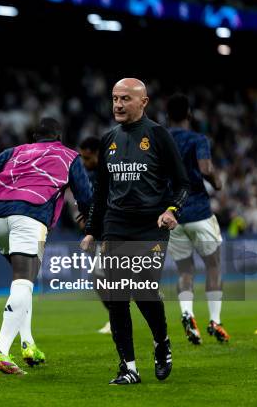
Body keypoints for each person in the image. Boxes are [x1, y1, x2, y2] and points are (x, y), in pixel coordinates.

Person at [0, 117, 92, 375]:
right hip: (30, 214)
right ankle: (0, 351)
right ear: (59, 137)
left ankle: (28, 345)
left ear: (34, 137)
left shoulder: (15, 151)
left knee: (22, 282)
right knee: (24, 282)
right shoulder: (68, 155)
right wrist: (90, 221)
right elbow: (85, 196)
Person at [82, 78, 190, 385]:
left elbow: (183, 183)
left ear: (143, 102)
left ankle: (161, 342)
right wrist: (92, 230)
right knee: (116, 295)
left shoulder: (158, 135)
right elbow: (100, 191)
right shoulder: (108, 139)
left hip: (151, 225)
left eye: (125, 99)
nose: (117, 104)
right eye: (115, 98)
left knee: (143, 289)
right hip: (116, 223)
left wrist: (172, 210)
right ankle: (128, 367)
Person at [166, 93, 229, 344]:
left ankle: (187, 313)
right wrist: (217, 181)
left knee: (185, 270)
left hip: (173, 214)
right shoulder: (197, 139)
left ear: (168, 116)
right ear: (189, 114)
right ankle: (215, 320)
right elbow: (205, 169)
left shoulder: (161, 139)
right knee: (213, 265)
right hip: (200, 211)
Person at [79, 137, 111, 334]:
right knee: (100, 278)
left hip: (116, 231)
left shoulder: (111, 171)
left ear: (97, 154)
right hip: (102, 233)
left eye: (87, 157)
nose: (84, 162)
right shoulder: (91, 174)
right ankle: (114, 317)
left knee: (101, 277)